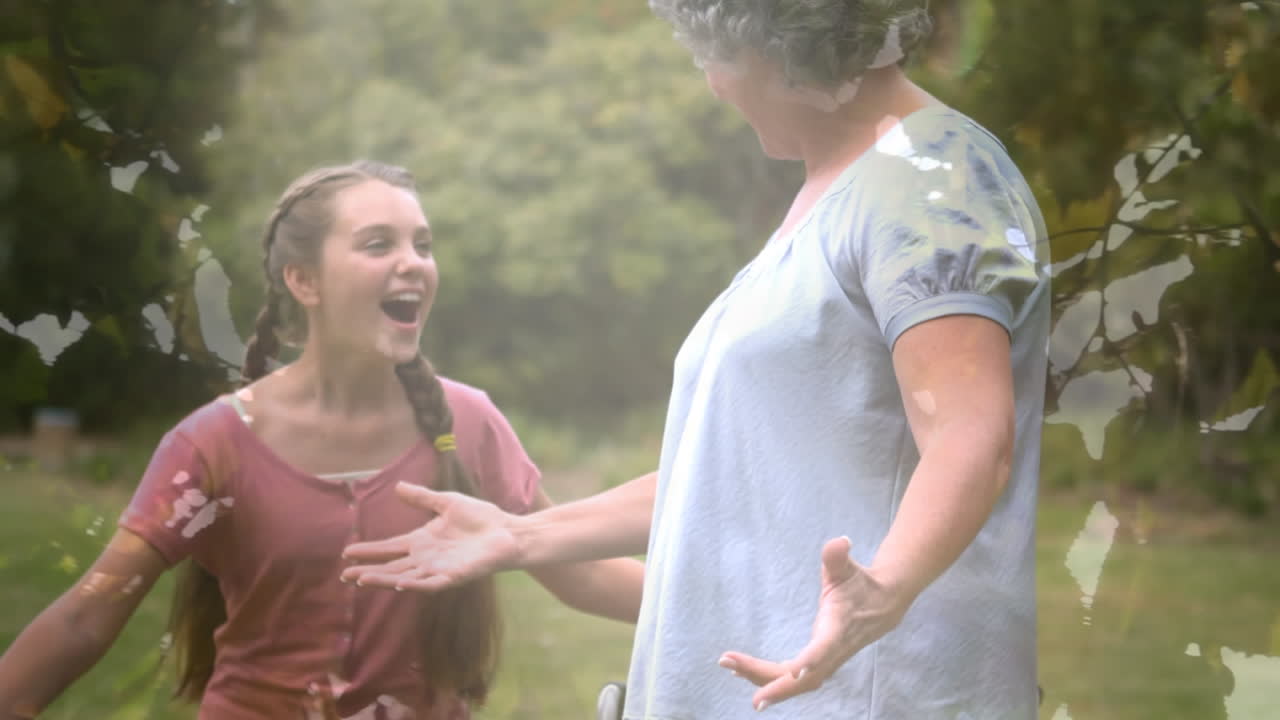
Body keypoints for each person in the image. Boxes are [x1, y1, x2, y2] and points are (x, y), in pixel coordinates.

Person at [343, 1, 1051, 717]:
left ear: (787, 52)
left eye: (720, 57)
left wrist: (885, 589)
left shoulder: (930, 181)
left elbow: (968, 434)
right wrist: (522, 534)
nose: (714, 84)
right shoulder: (841, 190)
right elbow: (735, 472)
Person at [0, 161, 643, 720]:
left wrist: (740, 609)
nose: (412, 263)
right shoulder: (214, 444)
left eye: (423, 244)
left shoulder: (466, 423)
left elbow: (581, 573)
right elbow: (88, 616)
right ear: (303, 282)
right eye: (376, 244)